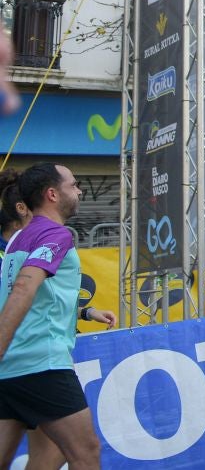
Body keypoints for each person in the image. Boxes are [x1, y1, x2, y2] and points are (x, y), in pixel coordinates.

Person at [0, 164, 100, 470]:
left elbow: (44, 296)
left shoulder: (18, 237)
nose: (80, 191)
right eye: (74, 185)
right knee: (86, 453)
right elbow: (23, 289)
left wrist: (85, 312)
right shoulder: (55, 234)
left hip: (10, 370)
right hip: (41, 363)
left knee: (45, 457)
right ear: (52, 194)